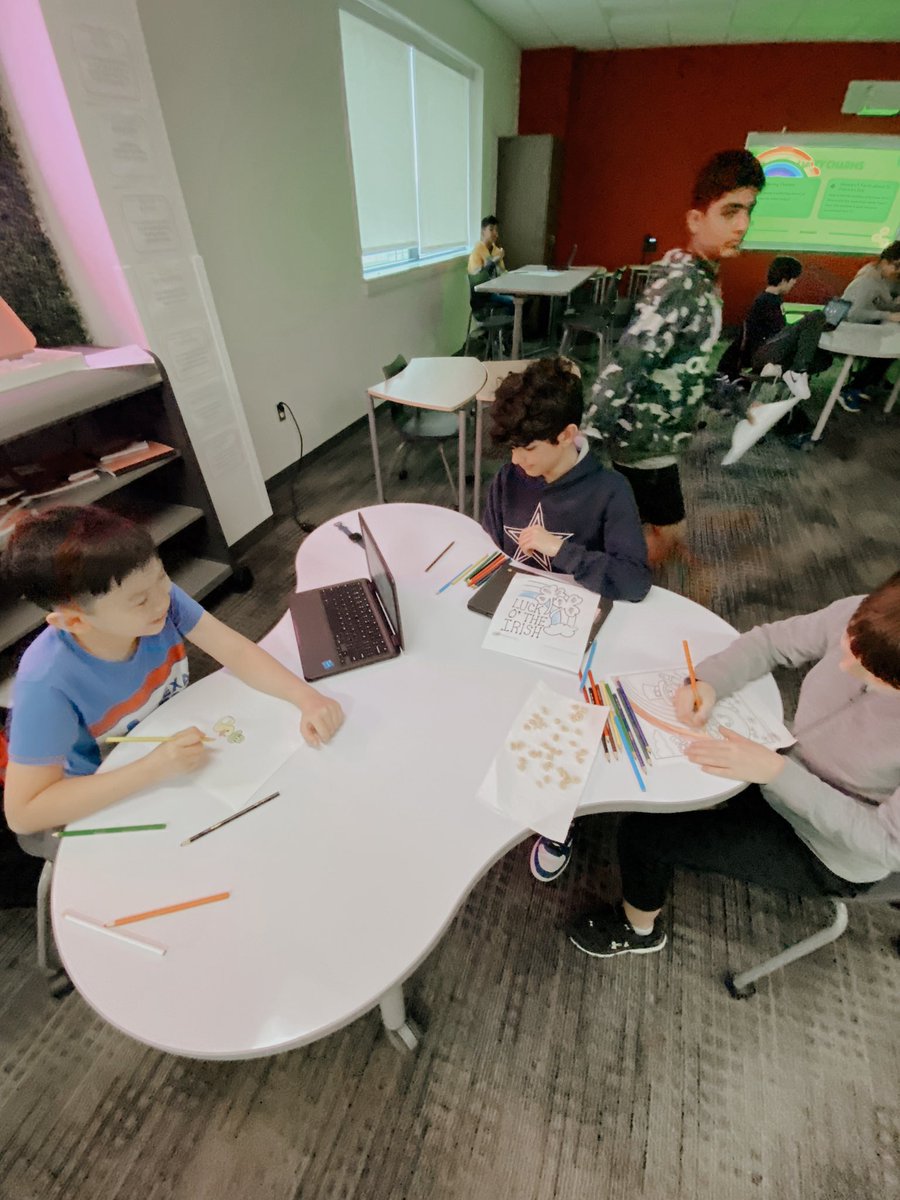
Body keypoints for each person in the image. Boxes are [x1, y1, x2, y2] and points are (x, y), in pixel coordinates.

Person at [566, 572, 900, 959]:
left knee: (644, 835)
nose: (844, 664)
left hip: (826, 847)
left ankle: (639, 930)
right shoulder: (866, 615)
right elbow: (772, 642)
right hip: (778, 761)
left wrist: (777, 774)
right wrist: (708, 681)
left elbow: (887, 846)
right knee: (646, 766)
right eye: (848, 644)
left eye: (871, 675)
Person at [2, 506, 345, 853]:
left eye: (163, 580)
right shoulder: (46, 683)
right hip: (108, 792)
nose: (163, 602)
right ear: (74, 623)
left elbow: (234, 650)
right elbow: (24, 813)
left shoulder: (155, 599)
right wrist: (153, 769)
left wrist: (305, 697)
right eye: (140, 601)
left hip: (173, 750)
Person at [482, 356, 651, 883]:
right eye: (512, 447)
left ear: (568, 434)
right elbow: (489, 544)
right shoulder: (511, 476)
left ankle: (558, 821)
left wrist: (563, 552)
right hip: (515, 608)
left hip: (576, 628)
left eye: (529, 447)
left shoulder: (609, 491)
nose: (517, 460)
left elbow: (634, 581)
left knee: (558, 719)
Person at [586, 149, 766, 569]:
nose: (742, 225)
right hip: (644, 439)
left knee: (649, 522)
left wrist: (737, 401)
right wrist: (585, 444)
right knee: (668, 530)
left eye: (748, 211)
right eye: (730, 211)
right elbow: (626, 363)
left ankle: (641, 562)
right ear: (695, 221)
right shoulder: (683, 284)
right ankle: (623, 587)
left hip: (662, 433)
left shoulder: (702, 279)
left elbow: (690, 366)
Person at [720, 256, 832, 402]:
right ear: (784, 279)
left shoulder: (770, 299)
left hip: (769, 350)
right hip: (763, 352)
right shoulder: (766, 302)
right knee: (817, 316)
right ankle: (796, 372)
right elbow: (776, 335)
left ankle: (781, 369)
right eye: (793, 280)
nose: (794, 283)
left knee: (823, 358)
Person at [839, 241, 900, 411]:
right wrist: (889, 315)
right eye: (896, 266)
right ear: (885, 261)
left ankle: (866, 381)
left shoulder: (883, 278)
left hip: (864, 327)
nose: (898, 272)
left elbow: (880, 303)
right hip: (849, 331)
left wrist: (892, 310)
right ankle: (851, 389)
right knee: (887, 352)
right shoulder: (867, 281)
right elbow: (854, 314)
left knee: (889, 348)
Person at [467, 214, 514, 316]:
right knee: (514, 303)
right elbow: (478, 279)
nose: (495, 234)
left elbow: (502, 273)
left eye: (496, 230)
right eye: (491, 229)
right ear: (483, 231)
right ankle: (503, 327)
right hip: (484, 296)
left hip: (497, 290)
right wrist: (496, 260)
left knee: (524, 300)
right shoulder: (476, 252)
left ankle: (506, 327)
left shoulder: (497, 251)